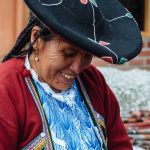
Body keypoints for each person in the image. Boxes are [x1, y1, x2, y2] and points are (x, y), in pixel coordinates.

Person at [0, 0, 142, 149]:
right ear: (37, 39)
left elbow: (119, 145)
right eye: (68, 53)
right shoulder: (6, 89)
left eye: (88, 56)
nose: (77, 67)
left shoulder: (93, 80)